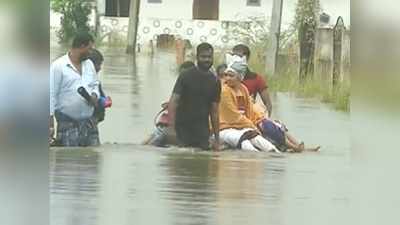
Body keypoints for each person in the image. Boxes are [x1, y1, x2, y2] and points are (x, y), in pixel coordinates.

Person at [218, 54, 279, 153]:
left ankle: (276, 155)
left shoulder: (243, 89)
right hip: (225, 128)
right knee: (246, 143)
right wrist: (252, 126)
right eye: (226, 75)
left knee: (262, 142)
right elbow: (234, 116)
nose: (227, 78)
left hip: (242, 126)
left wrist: (255, 126)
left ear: (240, 77)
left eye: (231, 75)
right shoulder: (224, 91)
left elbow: (249, 111)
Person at [49, 32, 100, 147]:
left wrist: (94, 95)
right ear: (81, 47)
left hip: (89, 122)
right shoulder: (58, 66)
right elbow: (50, 95)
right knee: (69, 159)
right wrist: (50, 123)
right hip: (67, 123)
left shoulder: (89, 64)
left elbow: (95, 84)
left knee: (92, 159)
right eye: (90, 48)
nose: (91, 52)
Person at [168, 43, 221, 151]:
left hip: (202, 131)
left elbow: (214, 111)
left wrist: (217, 138)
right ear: (197, 57)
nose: (206, 60)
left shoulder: (215, 81)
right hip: (182, 129)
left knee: (202, 164)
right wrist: (172, 129)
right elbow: (173, 102)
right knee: (181, 163)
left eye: (209, 57)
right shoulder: (185, 75)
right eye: (203, 57)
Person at [142, 61, 195, 147]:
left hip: (178, 127)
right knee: (151, 137)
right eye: (181, 75)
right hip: (167, 124)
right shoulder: (180, 88)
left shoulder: (195, 89)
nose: (182, 78)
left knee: (156, 138)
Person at [232, 44, 273, 117]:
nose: (236, 59)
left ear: (247, 58)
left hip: (250, 117)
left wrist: (266, 119)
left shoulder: (256, 78)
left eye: (239, 57)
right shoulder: (225, 77)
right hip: (230, 117)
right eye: (234, 57)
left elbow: (268, 103)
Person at [87, 49, 112, 123]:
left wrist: (104, 101)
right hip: (90, 121)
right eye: (98, 64)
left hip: (94, 120)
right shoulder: (87, 82)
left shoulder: (96, 82)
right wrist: (103, 102)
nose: (100, 68)